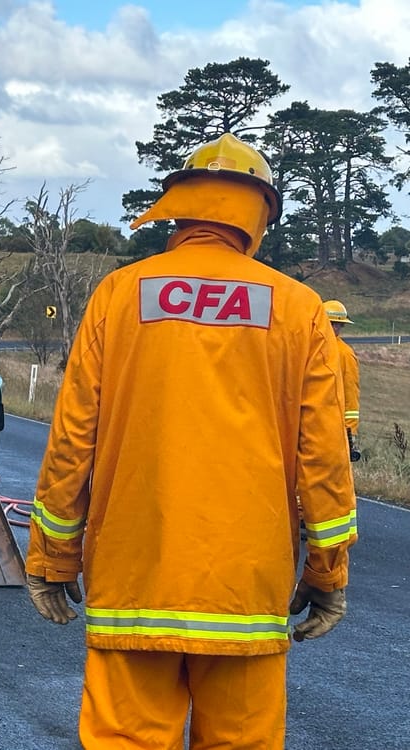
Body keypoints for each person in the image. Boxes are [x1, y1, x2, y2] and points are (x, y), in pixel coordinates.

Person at [24, 133, 357, 748]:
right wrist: (326, 571)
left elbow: (73, 441)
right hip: (245, 596)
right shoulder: (300, 308)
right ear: (260, 214)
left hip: (134, 585)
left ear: (181, 206)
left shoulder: (120, 296)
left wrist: (52, 557)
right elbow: (325, 459)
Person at [324, 299, 361, 461]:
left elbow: (350, 393)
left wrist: (350, 431)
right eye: (330, 323)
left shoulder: (345, 354)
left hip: (333, 426)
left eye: (337, 324)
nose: (334, 328)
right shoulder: (308, 346)